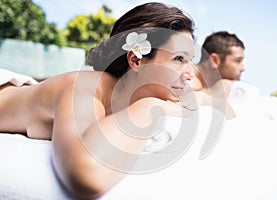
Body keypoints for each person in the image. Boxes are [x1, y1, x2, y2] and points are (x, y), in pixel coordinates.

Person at [0, 2, 218, 199]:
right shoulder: (84, 89)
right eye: (179, 59)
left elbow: (217, 104)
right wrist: (150, 107)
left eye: (189, 61)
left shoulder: (125, 93)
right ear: (136, 60)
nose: (189, 72)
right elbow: (88, 174)